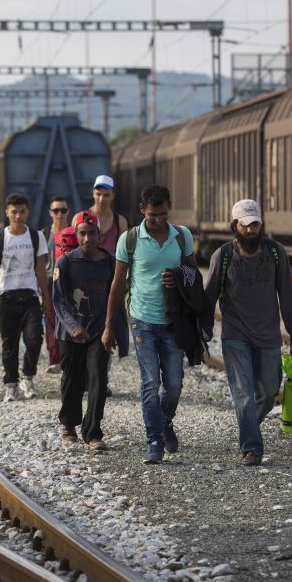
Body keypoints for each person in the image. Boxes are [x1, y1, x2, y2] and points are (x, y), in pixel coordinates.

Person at [205, 199, 292, 467]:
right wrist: (202, 334)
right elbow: (208, 298)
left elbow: (287, 296)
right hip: (235, 336)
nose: (250, 230)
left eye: (255, 225)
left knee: (269, 393)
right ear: (235, 225)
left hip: (268, 336)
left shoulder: (275, 253)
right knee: (244, 395)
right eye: (245, 225)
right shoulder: (223, 256)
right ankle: (252, 447)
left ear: (261, 225)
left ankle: (247, 426)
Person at [102, 185, 196, 464]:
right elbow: (117, 285)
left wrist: (178, 275)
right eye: (153, 215)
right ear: (142, 210)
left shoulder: (182, 236)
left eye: (163, 214)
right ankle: (154, 439)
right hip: (142, 320)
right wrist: (109, 326)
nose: (158, 220)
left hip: (173, 321)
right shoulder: (129, 239)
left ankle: (164, 422)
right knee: (151, 382)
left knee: (174, 383)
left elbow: (194, 274)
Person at [52, 212, 116, 450]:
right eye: (82, 233)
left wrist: (114, 330)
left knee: (99, 378)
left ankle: (93, 433)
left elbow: (116, 299)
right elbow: (58, 300)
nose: (87, 238)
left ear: (99, 234)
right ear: (76, 235)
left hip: (98, 331)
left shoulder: (110, 262)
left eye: (91, 233)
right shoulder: (66, 262)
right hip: (70, 334)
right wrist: (73, 326)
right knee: (73, 380)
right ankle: (69, 424)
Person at [0, 193, 50, 402]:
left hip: (30, 296)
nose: (18, 216)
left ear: (27, 212)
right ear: (7, 213)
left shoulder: (36, 237)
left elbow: (41, 269)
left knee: (35, 338)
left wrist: (46, 297)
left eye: (22, 212)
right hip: (6, 298)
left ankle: (27, 378)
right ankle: (11, 384)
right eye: (14, 212)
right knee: (9, 344)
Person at [41, 196, 70, 372]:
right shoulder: (43, 235)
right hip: (50, 282)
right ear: (50, 213)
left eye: (63, 210)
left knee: (68, 321)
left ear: (68, 212)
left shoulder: (74, 233)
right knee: (51, 321)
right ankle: (55, 359)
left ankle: (68, 358)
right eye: (56, 210)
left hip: (69, 283)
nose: (60, 214)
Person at [90, 175, 128, 252]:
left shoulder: (120, 222)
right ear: (93, 193)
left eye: (106, 195)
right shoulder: (79, 218)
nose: (101, 199)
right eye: (98, 194)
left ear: (113, 196)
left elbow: (123, 253)